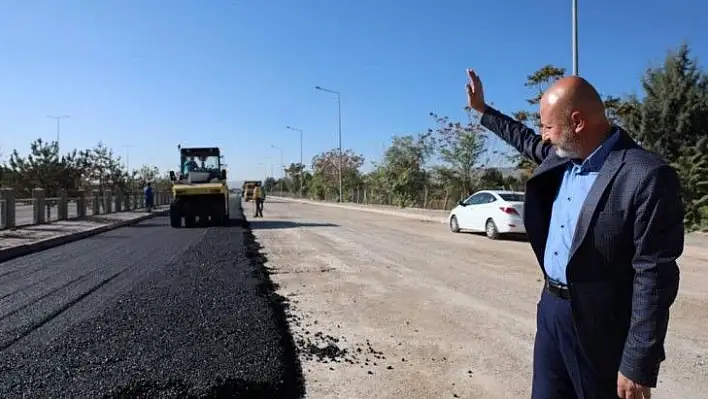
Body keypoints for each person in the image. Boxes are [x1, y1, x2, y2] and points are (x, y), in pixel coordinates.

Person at [465, 69, 684, 399]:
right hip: (552, 310)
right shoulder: (562, 157)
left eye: (549, 127)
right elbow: (522, 137)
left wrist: (639, 361)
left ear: (578, 122)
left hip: (600, 327)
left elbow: (654, 276)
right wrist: (483, 110)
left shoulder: (645, 175)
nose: (543, 137)